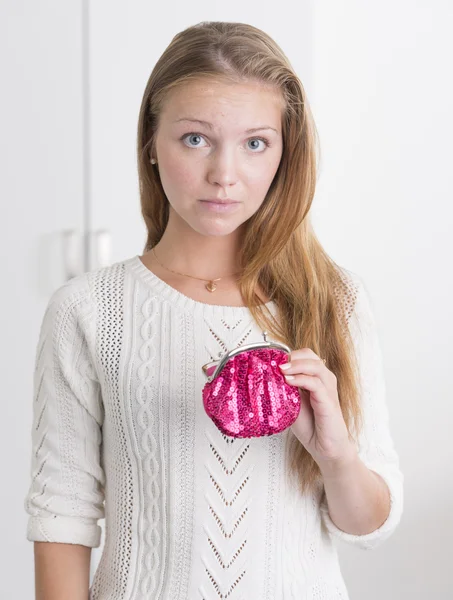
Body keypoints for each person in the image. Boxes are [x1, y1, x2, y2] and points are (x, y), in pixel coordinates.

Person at [24, 20, 404, 600]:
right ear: (151, 141)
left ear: (284, 153)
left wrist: (334, 453)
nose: (225, 175)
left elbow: (367, 524)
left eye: (255, 143)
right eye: (196, 138)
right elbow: (61, 517)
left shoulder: (334, 301)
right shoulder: (88, 310)